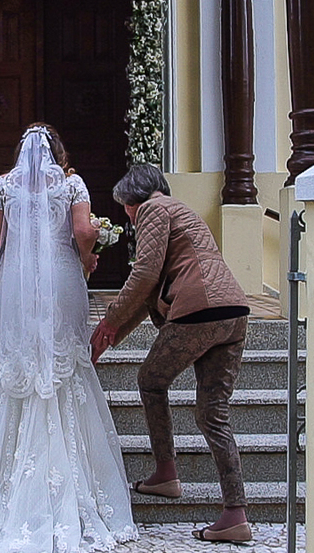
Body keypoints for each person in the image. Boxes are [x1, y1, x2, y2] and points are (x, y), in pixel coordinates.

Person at [0, 123, 138, 553]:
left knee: (21, 363)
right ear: (56, 151)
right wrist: (88, 256)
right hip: (61, 280)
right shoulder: (71, 184)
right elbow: (83, 231)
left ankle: (13, 483)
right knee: (66, 362)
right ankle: (74, 479)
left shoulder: (2, 186)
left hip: (16, 283)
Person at [89, 163, 253, 543]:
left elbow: (144, 273)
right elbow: (150, 293)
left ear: (134, 198)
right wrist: (111, 335)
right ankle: (235, 514)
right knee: (213, 414)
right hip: (233, 313)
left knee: (151, 380)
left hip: (199, 311)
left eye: (125, 206)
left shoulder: (153, 208)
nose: (127, 215)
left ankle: (166, 473)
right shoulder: (180, 211)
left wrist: (108, 322)